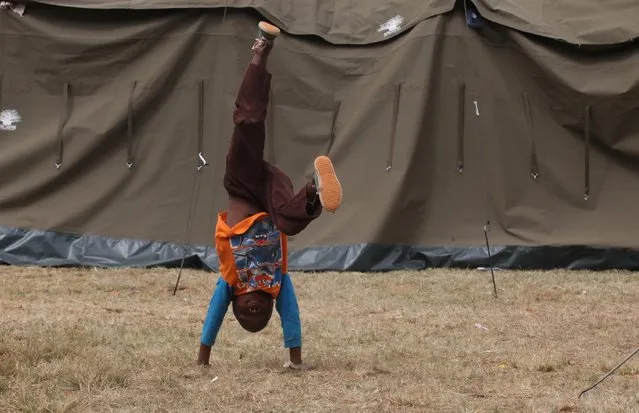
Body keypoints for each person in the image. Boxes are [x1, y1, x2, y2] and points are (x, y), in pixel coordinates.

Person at [197, 21, 342, 370]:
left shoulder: (229, 282)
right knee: (287, 221)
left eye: (247, 314)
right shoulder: (279, 285)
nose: (255, 311)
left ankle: (261, 52)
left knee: (248, 123)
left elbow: (211, 320)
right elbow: (290, 318)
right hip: (273, 201)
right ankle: (314, 191)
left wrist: (203, 358)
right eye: (260, 316)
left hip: (243, 184)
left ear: (235, 303)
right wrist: (296, 361)